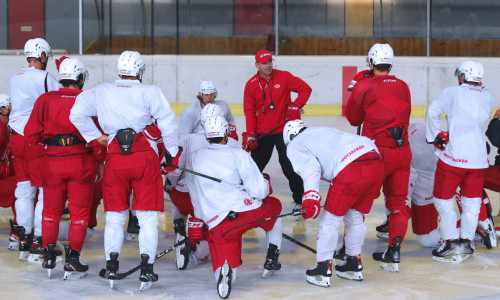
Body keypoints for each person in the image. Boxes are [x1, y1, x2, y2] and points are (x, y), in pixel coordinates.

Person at [69, 50, 180, 290]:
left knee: (115, 217)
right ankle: (147, 269)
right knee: (148, 217)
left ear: (119, 70)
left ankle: (111, 265)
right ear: (140, 70)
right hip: (144, 159)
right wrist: (171, 152)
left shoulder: (101, 91)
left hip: (115, 160)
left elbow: (76, 113)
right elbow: (168, 122)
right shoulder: (150, 91)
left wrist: (96, 137)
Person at [24, 57, 106, 279]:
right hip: (81, 161)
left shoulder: (45, 99)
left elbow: (31, 134)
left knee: (50, 211)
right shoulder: (89, 99)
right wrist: (100, 162)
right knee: (79, 213)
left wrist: (45, 154)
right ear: (80, 78)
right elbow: (98, 138)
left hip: (52, 161)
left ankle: (49, 255)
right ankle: (73, 261)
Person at [186, 115, 282, 299]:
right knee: (275, 207)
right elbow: (259, 191)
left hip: (218, 221)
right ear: (226, 133)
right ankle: (272, 256)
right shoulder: (238, 154)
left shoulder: (194, 157)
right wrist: (266, 184)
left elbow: (194, 192)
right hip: (248, 212)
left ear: (206, 134)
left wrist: (199, 218)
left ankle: (225, 271)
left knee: (224, 250)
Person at [284, 120, 383, 287]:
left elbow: (310, 168)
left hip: (351, 166)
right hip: (375, 160)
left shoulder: (295, 144)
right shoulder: (319, 129)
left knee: (329, 221)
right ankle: (353, 263)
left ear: (290, 136)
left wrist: (310, 196)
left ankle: (323, 268)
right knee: (355, 216)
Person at [345, 43, 412, 272]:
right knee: (397, 205)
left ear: (371, 62)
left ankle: (348, 249)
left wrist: (358, 88)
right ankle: (393, 250)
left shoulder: (365, 85)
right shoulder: (403, 85)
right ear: (390, 63)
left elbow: (353, 119)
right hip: (402, 152)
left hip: (376, 153)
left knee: (360, 201)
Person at [426, 60, 494, 263]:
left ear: (463, 76)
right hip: (478, 158)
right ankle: (466, 242)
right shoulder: (488, 96)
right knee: (472, 203)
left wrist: (435, 136)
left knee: (442, 200)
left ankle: (449, 242)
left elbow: (432, 112)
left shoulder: (452, 93)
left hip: (453, 158)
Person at [167, 104, 239, 270]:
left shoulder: (187, 139)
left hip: (185, 198)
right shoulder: (234, 144)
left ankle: (179, 223)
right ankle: (195, 246)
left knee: (175, 190)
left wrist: (174, 183)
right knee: (208, 246)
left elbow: (174, 171)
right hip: (214, 205)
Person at [9, 38, 59, 262]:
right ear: (41, 55)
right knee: (43, 192)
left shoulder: (15, 76)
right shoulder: (45, 77)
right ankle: (39, 239)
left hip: (16, 139)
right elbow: (59, 102)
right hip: (36, 140)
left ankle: (24, 238)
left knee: (23, 190)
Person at [242, 49, 312, 211]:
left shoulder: (284, 77)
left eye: (270, 62)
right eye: (264, 63)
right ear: (257, 65)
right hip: (262, 133)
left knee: (289, 167)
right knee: (254, 167)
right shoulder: (251, 85)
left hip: (284, 132)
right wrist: (251, 134)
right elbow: (250, 112)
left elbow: (305, 89)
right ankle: (247, 198)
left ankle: (300, 201)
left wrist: (297, 105)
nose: (268, 65)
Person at [0, 94, 19, 250]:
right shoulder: (1, 128)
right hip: (4, 179)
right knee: (25, 192)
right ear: (4, 109)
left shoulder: (6, 126)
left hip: (6, 176)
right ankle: (18, 234)